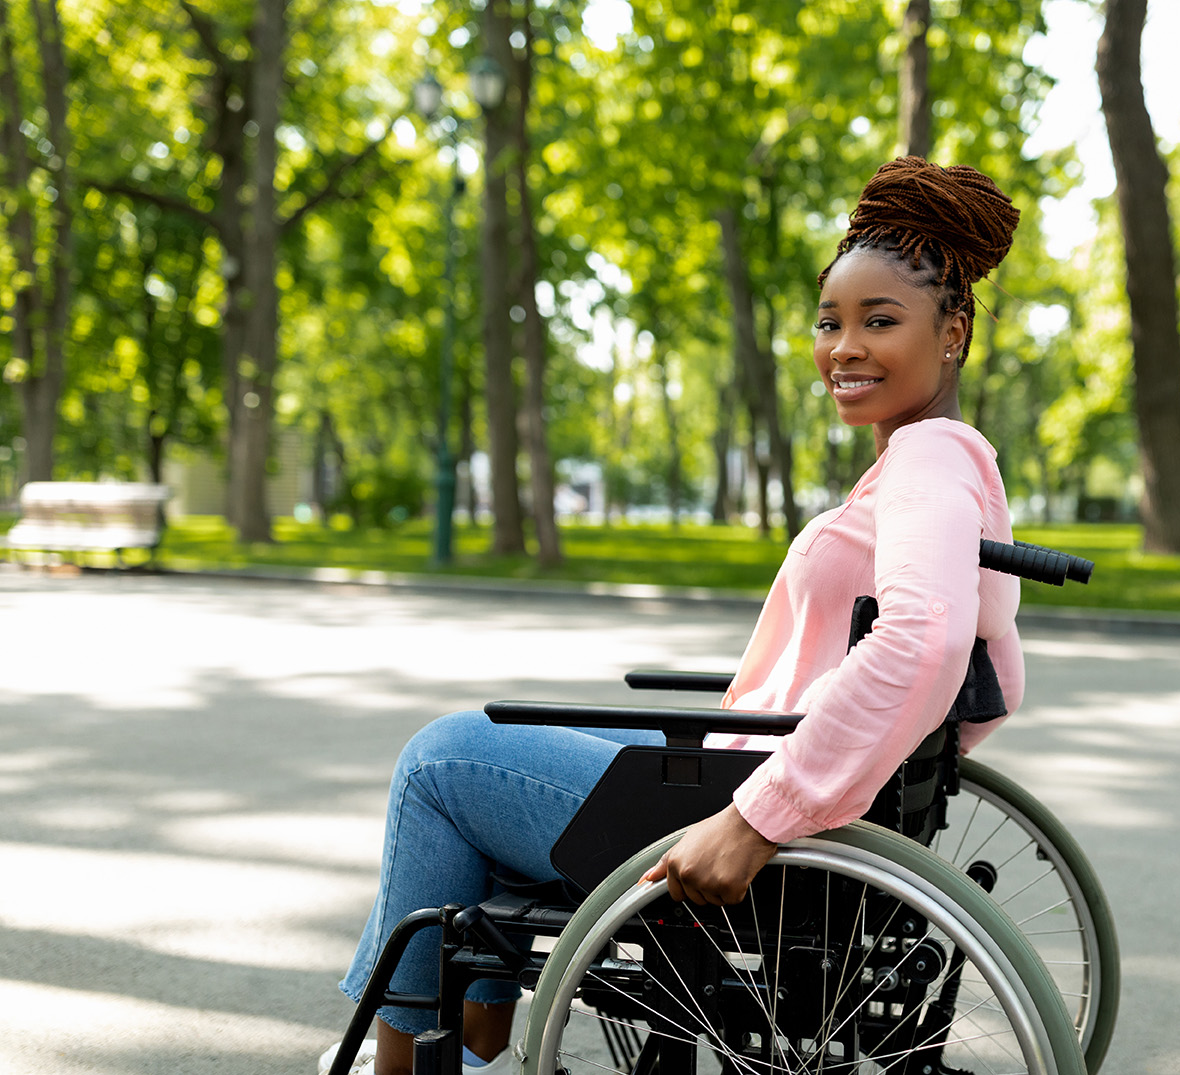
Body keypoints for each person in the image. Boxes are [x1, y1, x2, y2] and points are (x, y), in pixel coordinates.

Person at [322, 155, 1026, 1075]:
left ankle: (411, 1057)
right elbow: (991, 682)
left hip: (742, 806)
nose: (843, 347)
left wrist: (760, 816)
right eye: (829, 322)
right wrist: (884, 761)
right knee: (479, 775)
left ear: (952, 335)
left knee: (441, 762)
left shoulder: (929, 460)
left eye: (879, 321)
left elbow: (926, 642)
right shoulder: (941, 463)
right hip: (754, 770)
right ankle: (471, 1036)